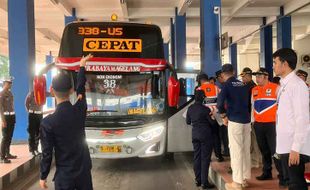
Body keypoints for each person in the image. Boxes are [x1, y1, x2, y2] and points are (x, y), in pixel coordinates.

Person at [39, 54, 93, 190]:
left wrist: (43, 176)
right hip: (84, 174)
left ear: (51, 91)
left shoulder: (48, 123)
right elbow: (81, 90)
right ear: (71, 90)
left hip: (64, 176)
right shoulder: (80, 109)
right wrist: (82, 66)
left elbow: (47, 153)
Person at [273, 48, 310, 190]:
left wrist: (296, 148)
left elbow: (302, 118)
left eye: (275, 62)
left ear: (285, 63)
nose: (274, 66)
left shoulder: (297, 85)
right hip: (285, 143)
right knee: (290, 181)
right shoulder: (283, 85)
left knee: (296, 183)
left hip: (293, 145)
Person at [217, 64, 251, 190]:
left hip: (235, 121)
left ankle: (237, 183)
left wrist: (223, 116)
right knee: (245, 150)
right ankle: (244, 179)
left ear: (222, 74)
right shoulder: (243, 84)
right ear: (234, 71)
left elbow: (220, 103)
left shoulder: (226, 85)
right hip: (246, 121)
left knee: (236, 151)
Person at [251, 68, 286, 186]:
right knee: (263, 150)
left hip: (272, 125)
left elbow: (282, 106)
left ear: (266, 76)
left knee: (275, 151)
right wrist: (253, 121)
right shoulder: (254, 90)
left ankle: (283, 176)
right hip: (258, 125)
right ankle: (267, 172)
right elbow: (252, 106)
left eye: (259, 76)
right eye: (256, 76)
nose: (257, 79)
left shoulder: (276, 88)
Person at [186, 90, 215, 190]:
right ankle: (204, 183)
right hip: (205, 135)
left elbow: (188, 121)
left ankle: (198, 180)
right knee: (205, 158)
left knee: (197, 157)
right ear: (203, 98)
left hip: (195, 134)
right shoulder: (205, 109)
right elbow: (212, 123)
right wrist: (213, 117)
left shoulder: (190, 108)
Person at [197, 73, 224, 162]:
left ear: (201, 80)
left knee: (206, 137)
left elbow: (198, 104)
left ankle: (207, 157)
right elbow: (222, 100)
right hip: (216, 115)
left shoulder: (199, 89)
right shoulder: (216, 88)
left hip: (205, 116)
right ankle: (219, 156)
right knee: (216, 136)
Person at [240, 67, 262, 169]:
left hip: (251, 117)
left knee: (253, 140)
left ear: (248, 76)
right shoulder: (248, 86)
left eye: (244, 77)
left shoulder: (251, 88)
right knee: (251, 140)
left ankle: (255, 161)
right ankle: (255, 160)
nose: (242, 79)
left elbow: (251, 104)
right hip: (249, 116)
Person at [0, 77, 17, 164]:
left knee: (10, 136)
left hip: (12, 116)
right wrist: (3, 120)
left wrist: (14, 116)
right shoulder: (1, 94)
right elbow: (1, 109)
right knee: (5, 137)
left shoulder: (10, 93)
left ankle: (7, 153)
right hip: (6, 117)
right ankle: (2, 157)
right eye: (9, 83)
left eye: (11, 83)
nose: (10, 84)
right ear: (4, 84)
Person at [25, 91, 44, 156]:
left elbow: (51, 94)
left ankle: (36, 149)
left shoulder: (43, 92)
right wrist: (29, 111)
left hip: (39, 114)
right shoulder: (31, 93)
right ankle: (31, 150)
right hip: (32, 114)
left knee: (38, 132)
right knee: (32, 132)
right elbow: (26, 103)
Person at [215, 70, 229, 156]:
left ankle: (227, 150)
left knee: (225, 133)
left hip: (226, 113)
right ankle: (225, 150)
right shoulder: (220, 86)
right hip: (224, 113)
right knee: (223, 133)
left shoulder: (223, 86)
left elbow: (220, 103)